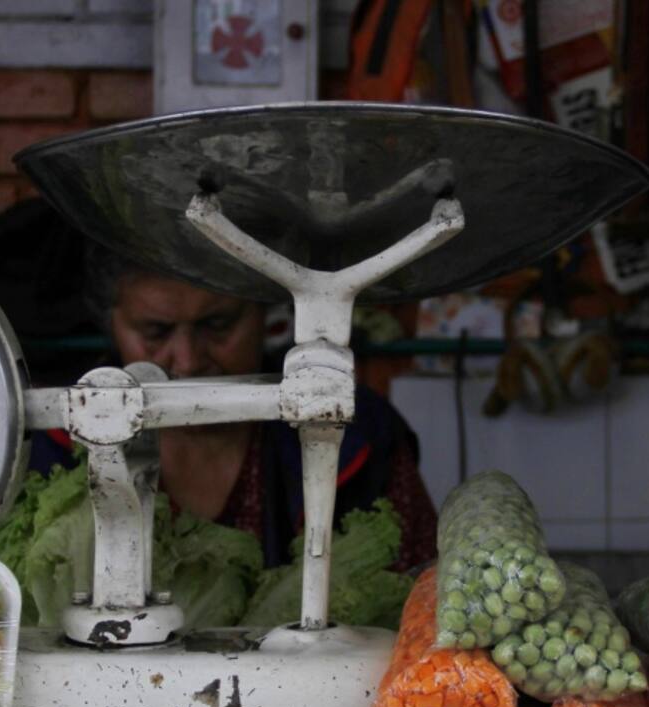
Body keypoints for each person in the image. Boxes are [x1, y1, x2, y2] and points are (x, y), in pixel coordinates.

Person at [27, 241, 438, 571]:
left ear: (265, 313)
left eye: (218, 324)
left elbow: (418, 594)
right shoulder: (55, 448)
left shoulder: (355, 436)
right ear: (111, 322)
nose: (187, 360)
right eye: (155, 331)